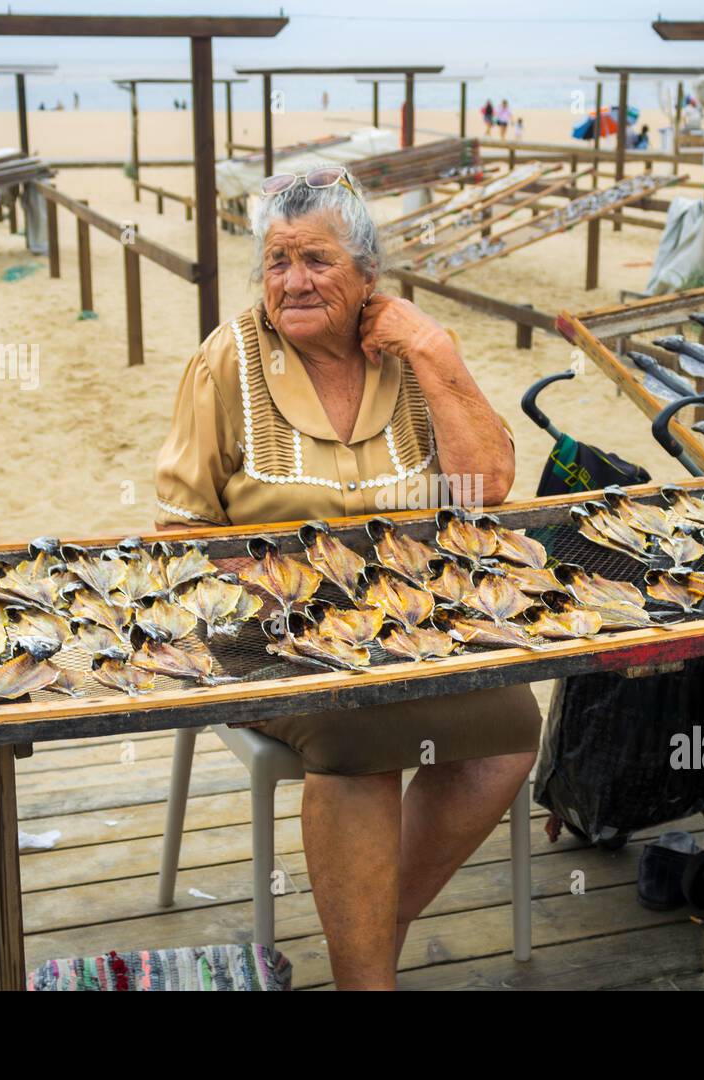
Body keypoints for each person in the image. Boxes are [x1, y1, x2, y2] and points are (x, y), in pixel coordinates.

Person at [153, 165, 540, 991]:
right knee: (360, 737)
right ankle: (368, 976)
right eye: (276, 261)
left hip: (410, 615)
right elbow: (181, 530)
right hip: (267, 622)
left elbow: (491, 486)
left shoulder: (408, 355)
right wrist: (270, 594)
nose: (292, 282)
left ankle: (372, 924)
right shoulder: (227, 360)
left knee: (509, 727)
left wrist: (437, 354)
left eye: (317, 261)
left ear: (369, 275)